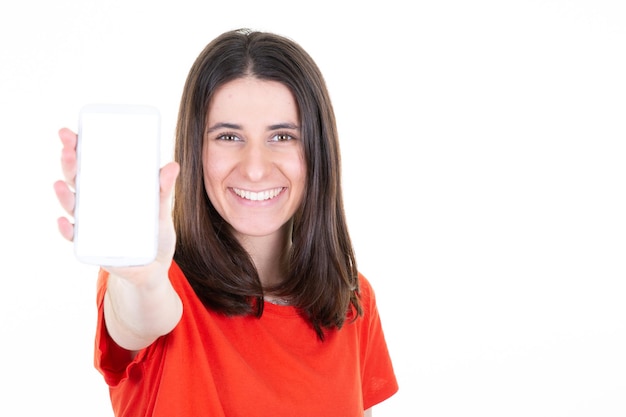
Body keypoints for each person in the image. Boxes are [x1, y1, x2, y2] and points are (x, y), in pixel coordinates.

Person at [54, 28, 398, 417]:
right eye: (229, 137)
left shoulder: (351, 298)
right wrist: (145, 280)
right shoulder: (155, 278)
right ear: (195, 148)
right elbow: (139, 316)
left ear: (318, 152)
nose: (254, 169)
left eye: (282, 136)